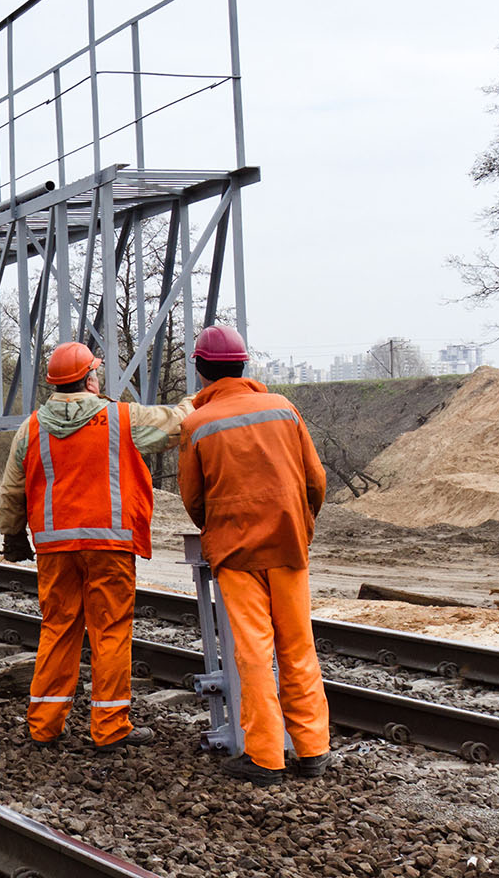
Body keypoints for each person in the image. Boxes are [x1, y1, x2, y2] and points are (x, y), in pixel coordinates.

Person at [0, 342, 194, 749]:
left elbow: (12, 490)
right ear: (89, 379)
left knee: (58, 630)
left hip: (55, 549)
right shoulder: (123, 418)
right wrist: (198, 401)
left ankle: (44, 726)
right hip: (109, 544)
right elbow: (177, 425)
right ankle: (109, 727)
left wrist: (12, 534)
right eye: (96, 373)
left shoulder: (31, 428)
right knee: (111, 632)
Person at [178, 324, 332, 785]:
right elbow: (315, 480)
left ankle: (265, 757)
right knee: (298, 646)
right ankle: (313, 749)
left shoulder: (197, 424)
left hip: (235, 550)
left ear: (201, 370)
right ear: (244, 365)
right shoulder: (283, 408)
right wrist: (301, 522)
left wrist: (216, 527)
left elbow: (193, 498)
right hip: (288, 544)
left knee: (253, 653)